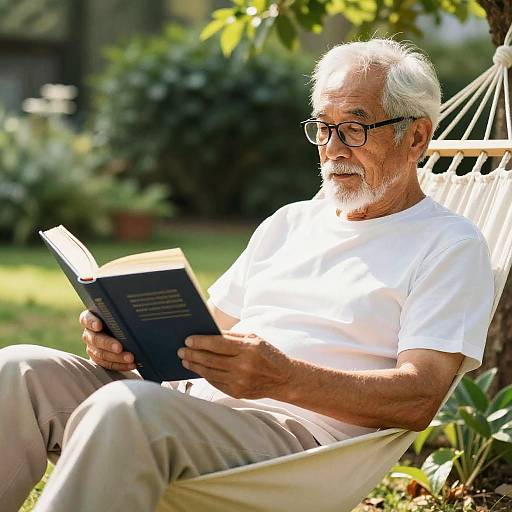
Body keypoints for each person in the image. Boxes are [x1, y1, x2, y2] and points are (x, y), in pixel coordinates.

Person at [0, 38, 494, 512]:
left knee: (125, 408)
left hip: (289, 445)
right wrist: (125, 342)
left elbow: (419, 397)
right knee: (18, 369)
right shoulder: (289, 222)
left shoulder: (449, 245)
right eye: (323, 127)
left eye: (354, 128)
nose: (333, 148)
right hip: (183, 409)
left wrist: (282, 378)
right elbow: (198, 336)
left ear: (417, 137)